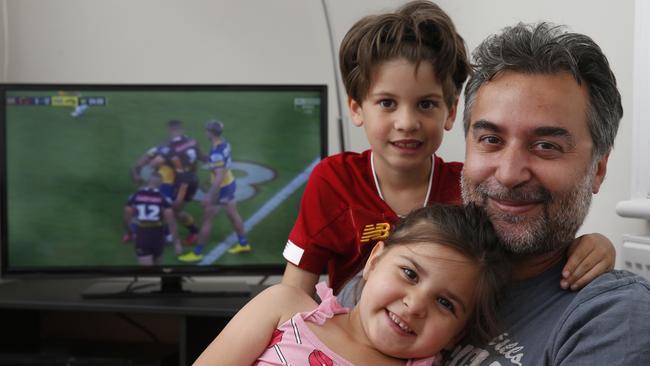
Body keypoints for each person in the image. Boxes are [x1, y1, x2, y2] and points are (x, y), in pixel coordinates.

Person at [281, 0, 614, 303]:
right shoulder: (333, 180)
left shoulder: (468, 189)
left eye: (426, 104)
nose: (407, 122)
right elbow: (293, 291)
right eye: (387, 103)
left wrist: (596, 244)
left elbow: (527, 240)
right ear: (356, 108)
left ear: (451, 112)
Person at [445, 22, 650, 365]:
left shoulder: (611, 316)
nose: (509, 174)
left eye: (545, 146)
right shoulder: (411, 266)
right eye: (491, 140)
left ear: (598, 168)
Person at [194, 204, 511, 365]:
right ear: (374, 262)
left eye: (445, 303)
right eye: (410, 274)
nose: (415, 305)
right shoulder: (283, 307)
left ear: (457, 334)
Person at [178, 119, 250, 263]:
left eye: (206, 130)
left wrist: (209, 196)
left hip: (221, 187)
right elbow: (217, 163)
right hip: (230, 183)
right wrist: (200, 154)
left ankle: (197, 253)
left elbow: (218, 175)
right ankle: (243, 244)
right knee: (232, 214)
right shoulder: (223, 143)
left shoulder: (216, 152)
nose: (205, 132)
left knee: (207, 220)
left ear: (210, 133)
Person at [147, 119, 202, 245]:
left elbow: (153, 163)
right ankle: (185, 232)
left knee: (170, 208)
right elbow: (201, 156)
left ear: (170, 130)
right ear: (182, 130)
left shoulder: (170, 146)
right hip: (192, 179)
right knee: (174, 210)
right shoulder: (191, 141)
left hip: (182, 182)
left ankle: (172, 234)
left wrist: (160, 163)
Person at [123, 172, 183, 265]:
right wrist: (177, 243)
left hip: (142, 235)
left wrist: (130, 231)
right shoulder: (164, 199)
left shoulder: (136, 196)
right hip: (158, 235)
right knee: (157, 266)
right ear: (161, 184)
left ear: (148, 182)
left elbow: (127, 216)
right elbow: (171, 222)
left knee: (147, 271)